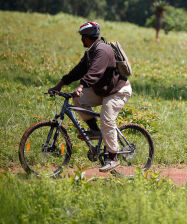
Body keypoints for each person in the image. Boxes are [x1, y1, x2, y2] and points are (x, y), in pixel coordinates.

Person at [48, 22, 131, 172]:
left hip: (118, 91)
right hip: (104, 91)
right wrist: (60, 84)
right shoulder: (91, 52)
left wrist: (81, 86)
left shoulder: (102, 50)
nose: (81, 40)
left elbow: (95, 72)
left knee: (107, 119)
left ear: (87, 38)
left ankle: (113, 157)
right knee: (79, 99)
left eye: (82, 37)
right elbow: (78, 71)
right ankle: (95, 130)